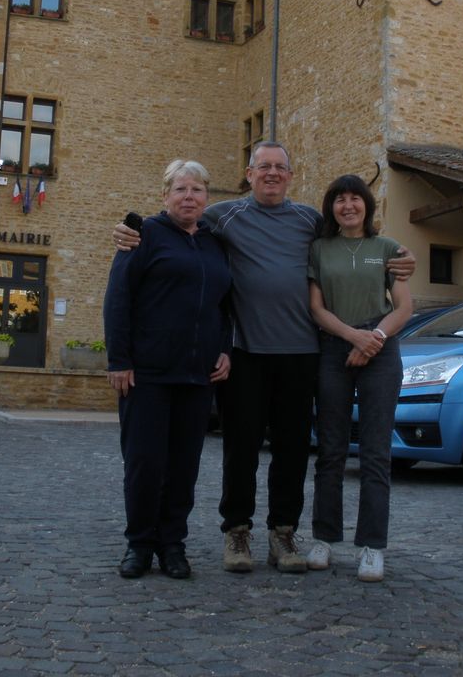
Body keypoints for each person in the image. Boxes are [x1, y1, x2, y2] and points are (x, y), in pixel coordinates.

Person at [113, 142, 416, 574]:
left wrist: (403, 257)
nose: (272, 173)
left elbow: (354, 240)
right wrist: (131, 230)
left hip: (302, 354)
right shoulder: (223, 216)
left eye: (280, 167)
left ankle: (283, 533)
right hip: (247, 353)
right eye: (263, 167)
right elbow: (179, 217)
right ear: (249, 174)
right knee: (241, 449)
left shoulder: (310, 221)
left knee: (292, 451)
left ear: (290, 176)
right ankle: (236, 531)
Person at [103, 159, 232, 580]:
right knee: (144, 464)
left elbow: (224, 306)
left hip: (197, 376)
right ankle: (139, 544)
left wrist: (224, 349)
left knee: (183, 468)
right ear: (165, 195)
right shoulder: (144, 235)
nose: (189, 197)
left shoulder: (215, 243)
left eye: (196, 190)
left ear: (207, 197)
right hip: (147, 374)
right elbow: (118, 298)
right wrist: (119, 360)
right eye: (180, 189)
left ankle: (172, 544)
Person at [306, 173, 412, 581]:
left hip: (381, 350)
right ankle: (324, 539)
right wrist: (354, 337)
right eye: (340, 199)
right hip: (334, 347)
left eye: (355, 198)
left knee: (375, 451)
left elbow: (403, 307)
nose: (347, 206)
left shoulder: (388, 248)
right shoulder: (319, 249)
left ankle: (372, 546)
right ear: (331, 207)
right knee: (330, 449)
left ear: (367, 205)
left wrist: (374, 339)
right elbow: (316, 308)